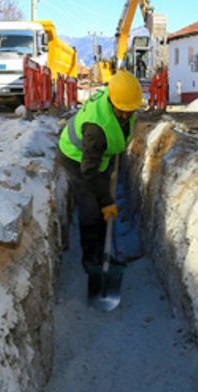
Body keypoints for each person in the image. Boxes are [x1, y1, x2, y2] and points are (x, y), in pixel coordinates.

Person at [58, 70, 142, 279]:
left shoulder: (124, 103)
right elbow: (89, 171)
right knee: (91, 210)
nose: (125, 116)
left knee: (104, 205)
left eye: (129, 111)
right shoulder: (96, 127)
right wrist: (106, 201)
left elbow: (117, 136)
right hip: (77, 159)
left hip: (100, 157)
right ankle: (91, 260)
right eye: (121, 111)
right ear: (112, 101)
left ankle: (105, 251)